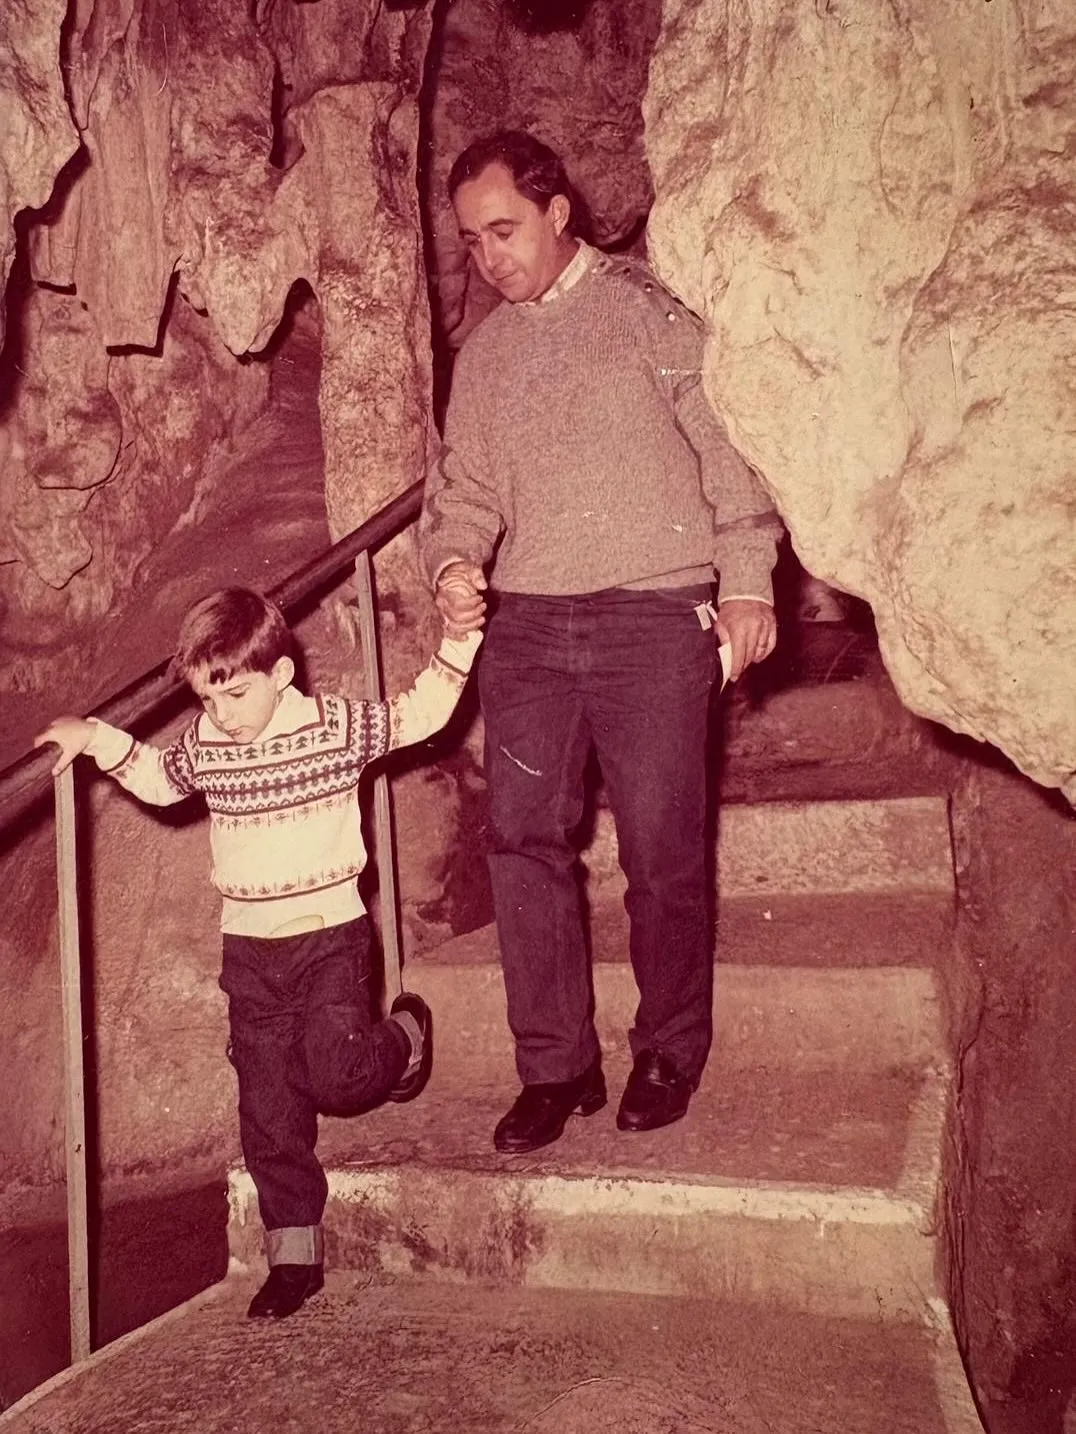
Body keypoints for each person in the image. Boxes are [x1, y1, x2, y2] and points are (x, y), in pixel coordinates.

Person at [421, 130, 783, 1154]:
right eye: (472, 241)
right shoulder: (485, 356)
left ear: (558, 213)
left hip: (652, 616)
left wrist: (747, 581)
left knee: (662, 851)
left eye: (504, 230)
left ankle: (667, 1049)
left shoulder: (646, 315)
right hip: (528, 626)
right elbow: (466, 495)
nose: (490, 257)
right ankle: (555, 1066)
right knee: (520, 846)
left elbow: (729, 453)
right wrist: (453, 566)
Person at [35, 586, 481, 1318]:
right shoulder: (210, 743)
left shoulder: (334, 728)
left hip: (328, 938)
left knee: (336, 1077)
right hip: (248, 949)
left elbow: (419, 713)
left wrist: (459, 640)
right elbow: (159, 777)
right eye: (209, 699)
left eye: (237, 695)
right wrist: (95, 738)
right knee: (267, 1103)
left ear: (281, 675)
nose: (223, 715)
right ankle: (294, 1252)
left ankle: (404, 1036)